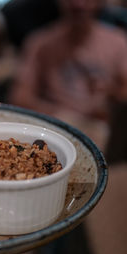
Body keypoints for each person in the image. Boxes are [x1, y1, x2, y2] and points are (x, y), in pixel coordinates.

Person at [9, 0, 127, 150]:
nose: (79, 4)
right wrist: (62, 115)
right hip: (55, 128)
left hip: (103, 133)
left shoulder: (118, 41)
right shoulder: (39, 42)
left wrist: (111, 93)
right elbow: (19, 97)